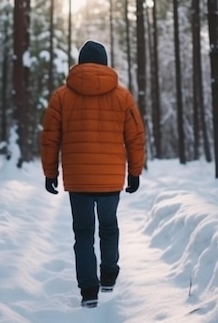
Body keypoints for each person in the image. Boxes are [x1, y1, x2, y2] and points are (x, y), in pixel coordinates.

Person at [40, 40, 146, 308]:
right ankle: (108, 274)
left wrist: (50, 172)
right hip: (110, 179)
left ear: (80, 62)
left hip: (78, 179)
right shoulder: (122, 96)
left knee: (84, 233)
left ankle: (89, 290)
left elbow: (50, 138)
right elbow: (135, 138)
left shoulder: (61, 96)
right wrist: (134, 172)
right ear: (105, 63)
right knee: (109, 226)